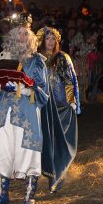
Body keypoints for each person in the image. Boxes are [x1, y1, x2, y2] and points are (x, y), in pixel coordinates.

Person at [0, 13, 49, 204]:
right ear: (11, 36)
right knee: (2, 151)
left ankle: (29, 194)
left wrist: (30, 89)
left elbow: (44, 92)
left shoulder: (37, 60)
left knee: (28, 152)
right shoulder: (2, 58)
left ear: (30, 37)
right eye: (17, 33)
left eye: (24, 33)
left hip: (27, 113)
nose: (21, 37)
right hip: (4, 114)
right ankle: (1, 193)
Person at [37, 26, 80, 193]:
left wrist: (71, 101)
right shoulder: (37, 58)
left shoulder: (62, 57)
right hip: (44, 106)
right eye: (47, 39)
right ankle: (49, 173)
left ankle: (59, 174)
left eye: (53, 39)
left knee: (62, 141)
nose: (50, 42)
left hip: (61, 106)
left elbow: (69, 80)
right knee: (48, 141)